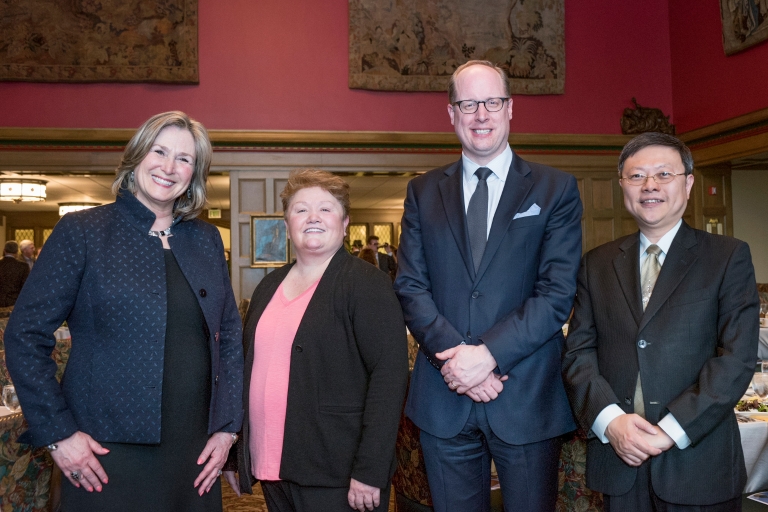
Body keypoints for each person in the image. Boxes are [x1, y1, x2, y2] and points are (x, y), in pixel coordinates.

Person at [5, 111, 244, 512]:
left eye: (184, 159)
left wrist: (227, 431)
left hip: (195, 450)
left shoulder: (205, 239)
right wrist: (59, 434)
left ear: (195, 173)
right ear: (136, 156)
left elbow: (230, 337)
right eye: (159, 151)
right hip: (103, 450)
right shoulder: (83, 231)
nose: (169, 167)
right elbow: (25, 335)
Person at [394, 60, 582, 511]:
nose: (482, 114)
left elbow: (556, 293)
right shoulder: (422, 192)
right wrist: (458, 362)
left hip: (526, 395)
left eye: (492, 102)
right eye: (469, 103)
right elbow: (410, 287)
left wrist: (487, 356)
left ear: (510, 108)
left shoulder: (555, 189)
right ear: (452, 113)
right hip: (445, 393)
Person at [562, 132, 759, 511]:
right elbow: (577, 353)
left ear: (687, 184)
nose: (649, 185)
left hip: (699, 460)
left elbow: (736, 358)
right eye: (636, 176)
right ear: (623, 186)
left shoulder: (726, 256)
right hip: (620, 461)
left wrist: (670, 430)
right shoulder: (596, 263)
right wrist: (611, 422)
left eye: (663, 175)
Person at [225, 168, 408, 512]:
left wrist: (371, 470)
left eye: (325, 208)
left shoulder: (367, 284)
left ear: (345, 221)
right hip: (275, 466)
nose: (313, 217)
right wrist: (238, 453)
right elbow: (247, 371)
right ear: (287, 223)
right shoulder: (267, 287)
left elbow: (389, 379)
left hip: (338, 471)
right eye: (300, 209)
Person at [0, 241, 30, 307]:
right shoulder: (23, 266)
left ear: (4, 250)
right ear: (17, 252)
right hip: (15, 301)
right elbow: (25, 286)